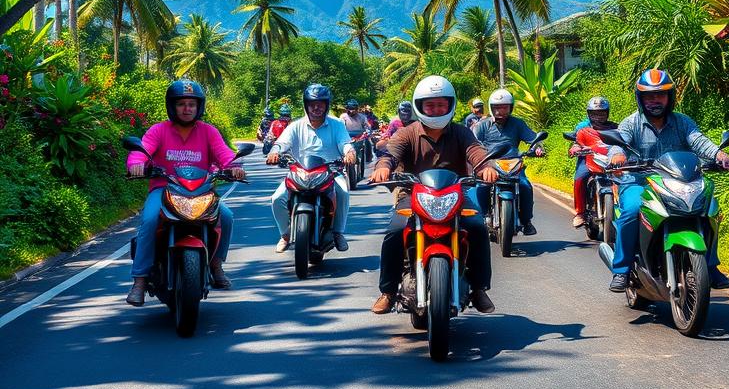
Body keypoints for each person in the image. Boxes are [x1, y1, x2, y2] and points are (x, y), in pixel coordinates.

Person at [369, 75, 498, 315]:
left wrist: (486, 168)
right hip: (412, 194)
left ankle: (479, 289)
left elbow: (476, 153)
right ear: (420, 106)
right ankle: (387, 292)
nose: (436, 109)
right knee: (395, 231)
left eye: (441, 104)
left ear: (450, 105)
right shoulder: (406, 133)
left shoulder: (461, 133)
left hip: (455, 195)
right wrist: (383, 167)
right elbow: (390, 154)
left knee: (478, 228)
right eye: (430, 105)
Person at [607, 68, 729, 292]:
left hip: (679, 183)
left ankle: (710, 266)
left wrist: (718, 154)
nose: (654, 100)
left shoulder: (683, 122)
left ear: (670, 97)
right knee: (632, 210)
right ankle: (622, 270)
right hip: (640, 183)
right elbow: (619, 143)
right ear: (641, 98)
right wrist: (617, 156)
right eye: (648, 95)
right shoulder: (631, 123)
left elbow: (699, 142)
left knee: (711, 211)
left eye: (660, 94)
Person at [125, 80, 245, 306]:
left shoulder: (209, 132)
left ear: (199, 106)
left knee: (226, 216)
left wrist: (235, 167)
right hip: (164, 190)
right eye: (181, 104)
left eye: (192, 104)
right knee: (149, 220)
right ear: (172, 106)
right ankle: (139, 281)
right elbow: (141, 151)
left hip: (201, 192)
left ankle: (216, 263)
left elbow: (225, 155)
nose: (187, 108)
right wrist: (137, 164)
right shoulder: (158, 130)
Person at [266, 84, 357, 253]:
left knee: (343, 191)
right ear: (306, 105)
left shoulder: (337, 124)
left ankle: (338, 232)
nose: (316, 107)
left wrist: (349, 152)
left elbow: (344, 143)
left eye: (321, 103)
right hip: (299, 172)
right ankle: (285, 235)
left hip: (330, 171)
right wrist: (275, 151)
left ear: (326, 105)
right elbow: (282, 143)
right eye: (312, 104)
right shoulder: (295, 125)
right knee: (277, 198)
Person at [471, 89, 544, 236]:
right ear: (491, 108)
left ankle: (526, 221)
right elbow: (472, 144)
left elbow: (532, 138)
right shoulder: (482, 125)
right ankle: (483, 216)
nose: (500, 111)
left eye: (504, 107)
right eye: (497, 107)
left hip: (513, 163)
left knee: (525, 186)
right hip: (490, 163)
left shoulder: (518, 123)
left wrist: (537, 147)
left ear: (511, 107)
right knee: (482, 186)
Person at [569, 96, 619, 229]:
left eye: (602, 113)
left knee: (624, 178)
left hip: (608, 160)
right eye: (595, 113)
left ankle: (623, 209)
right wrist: (575, 148)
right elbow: (576, 142)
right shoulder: (582, 127)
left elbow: (622, 142)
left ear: (607, 113)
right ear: (589, 114)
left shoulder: (614, 127)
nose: (598, 116)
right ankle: (580, 213)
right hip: (587, 160)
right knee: (580, 178)